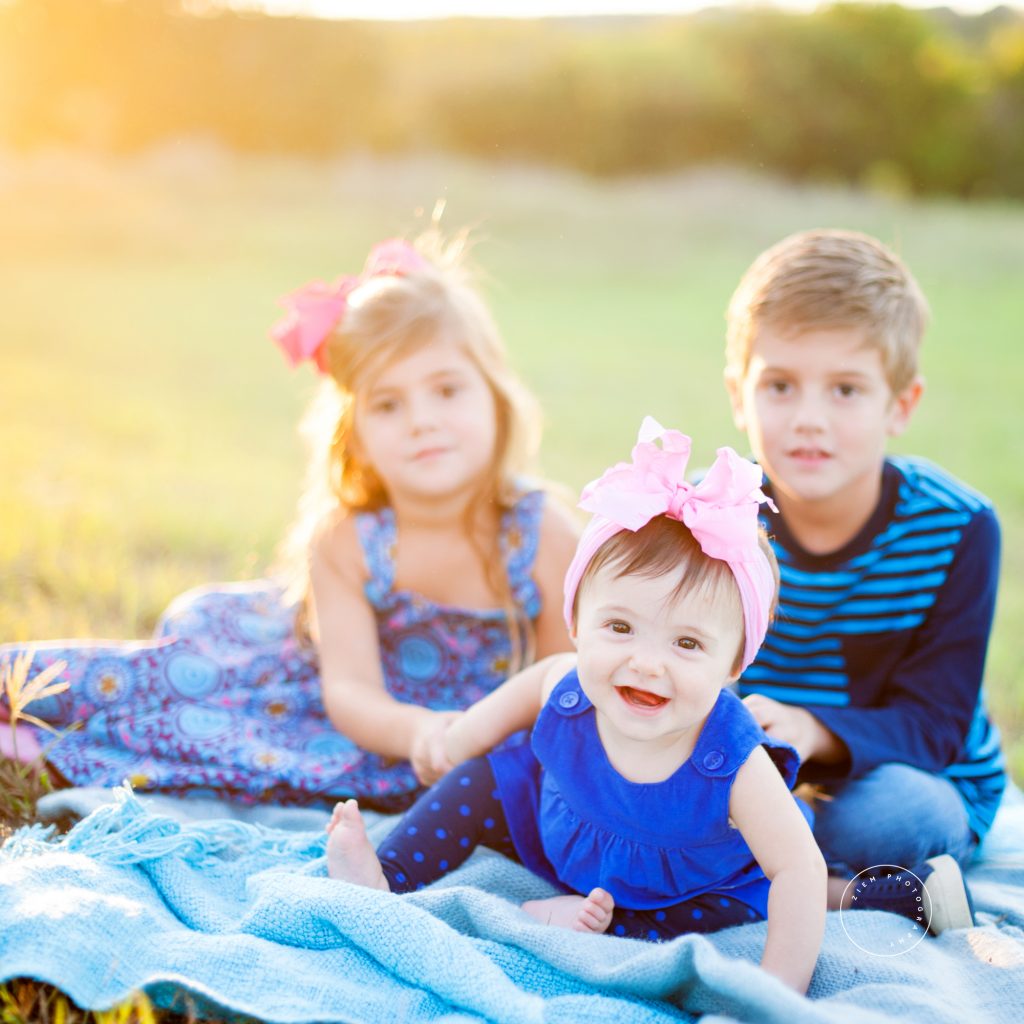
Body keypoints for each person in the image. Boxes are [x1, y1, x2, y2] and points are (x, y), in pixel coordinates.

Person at [0, 233, 578, 809]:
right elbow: (349, 689)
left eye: (447, 390)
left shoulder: (541, 535)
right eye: (387, 404)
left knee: (233, 747)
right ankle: (18, 691)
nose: (422, 420)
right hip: (330, 690)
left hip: (446, 741)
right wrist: (418, 731)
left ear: (495, 399)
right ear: (357, 438)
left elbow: (566, 683)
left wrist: (474, 741)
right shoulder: (350, 539)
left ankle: (45, 747)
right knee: (178, 679)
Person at [326, 418, 828, 996]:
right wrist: (457, 740)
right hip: (558, 829)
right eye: (619, 627)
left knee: (691, 928)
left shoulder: (731, 758)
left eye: (687, 644)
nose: (646, 663)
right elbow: (524, 690)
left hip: (678, 882)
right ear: (577, 623)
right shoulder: (568, 686)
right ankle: (387, 876)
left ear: (734, 664)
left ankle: (582, 923)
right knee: (482, 777)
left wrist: (777, 990)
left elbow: (797, 867)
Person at [723, 227, 1003, 931]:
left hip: (900, 774)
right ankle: (808, 873)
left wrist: (813, 730)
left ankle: (755, 862)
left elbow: (935, 723)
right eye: (779, 386)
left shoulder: (957, 527)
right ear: (739, 394)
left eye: (846, 390)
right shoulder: (715, 514)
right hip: (755, 769)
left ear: (900, 405)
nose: (809, 420)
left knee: (908, 815)